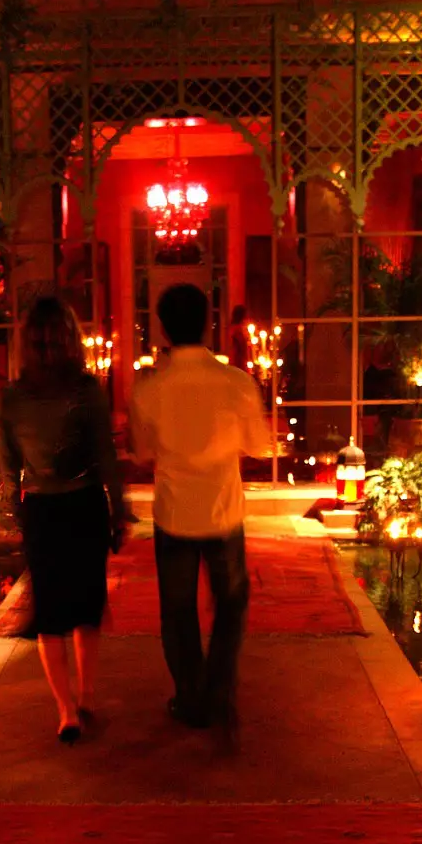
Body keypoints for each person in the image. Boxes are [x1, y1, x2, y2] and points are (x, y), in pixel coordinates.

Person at [129, 282, 273, 744]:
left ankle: (190, 697)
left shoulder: (150, 388)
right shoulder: (236, 383)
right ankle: (219, 690)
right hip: (222, 510)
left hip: (174, 511)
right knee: (231, 604)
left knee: (178, 610)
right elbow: (259, 445)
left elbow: (141, 452)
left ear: (164, 329)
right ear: (208, 324)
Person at [0, 296, 130, 744]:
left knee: (52, 612)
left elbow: (8, 466)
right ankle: (82, 697)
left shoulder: (15, 397)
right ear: (71, 339)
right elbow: (106, 456)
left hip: (44, 510)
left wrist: (18, 514)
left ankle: (68, 708)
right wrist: (118, 509)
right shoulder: (85, 390)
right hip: (82, 505)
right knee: (83, 607)